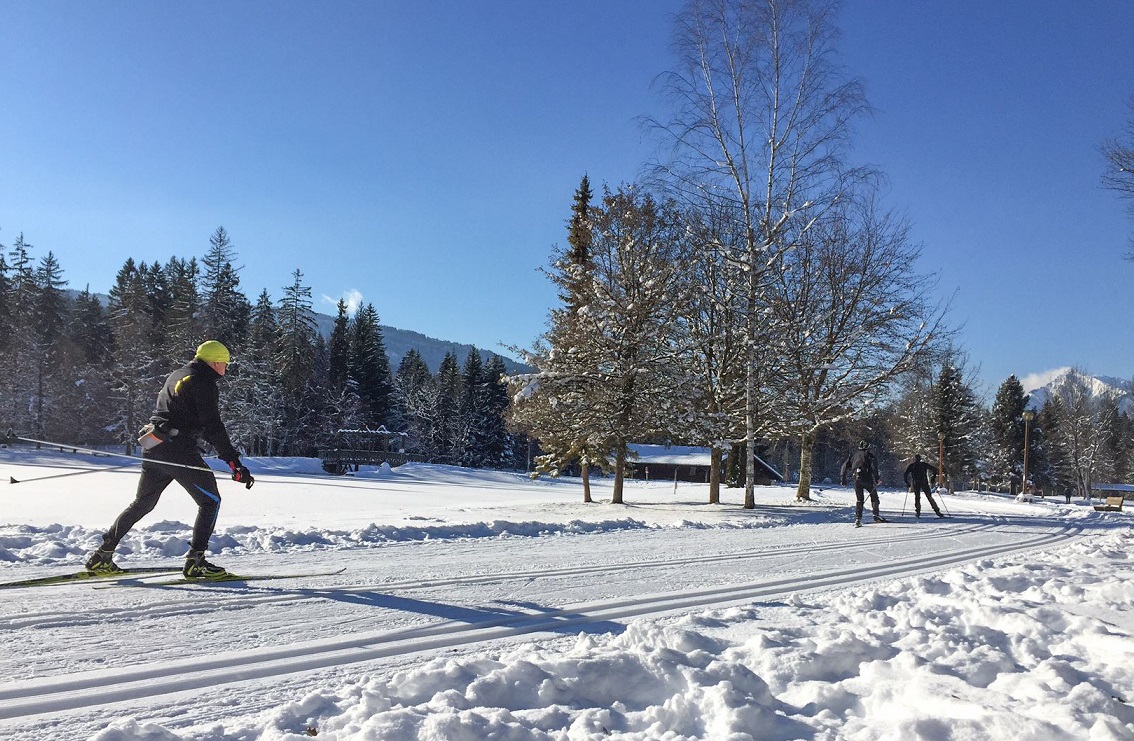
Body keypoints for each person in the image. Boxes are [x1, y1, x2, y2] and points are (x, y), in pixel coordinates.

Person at [85, 340, 255, 578]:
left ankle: (102, 555)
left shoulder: (178, 374)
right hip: (179, 449)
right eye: (225, 364)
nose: (226, 369)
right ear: (215, 362)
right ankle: (196, 561)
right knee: (211, 501)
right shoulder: (203, 381)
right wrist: (234, 463)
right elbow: (213, 427)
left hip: (154, 445)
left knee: (143, 502)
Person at [841, 440, 887, 527]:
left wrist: (843, 478)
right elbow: (874, 468)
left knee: (859, 499)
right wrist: (877, 479)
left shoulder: (854, 455)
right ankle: (876, 515)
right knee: (874, 497)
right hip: (867, 478)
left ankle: (858, 519)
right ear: (868, 446)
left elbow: (844, 466)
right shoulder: (870, 455)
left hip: (856, 478)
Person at [903, 454, 944, 518]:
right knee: (928, 497)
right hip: (923, 482)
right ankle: (937, 511)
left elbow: (905, 474)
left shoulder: (912, 465)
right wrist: (933, 477)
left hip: (917, 483)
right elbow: (935, 470)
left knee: (918, 497)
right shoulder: (922, 464)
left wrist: (907, 482)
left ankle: (918, 512)